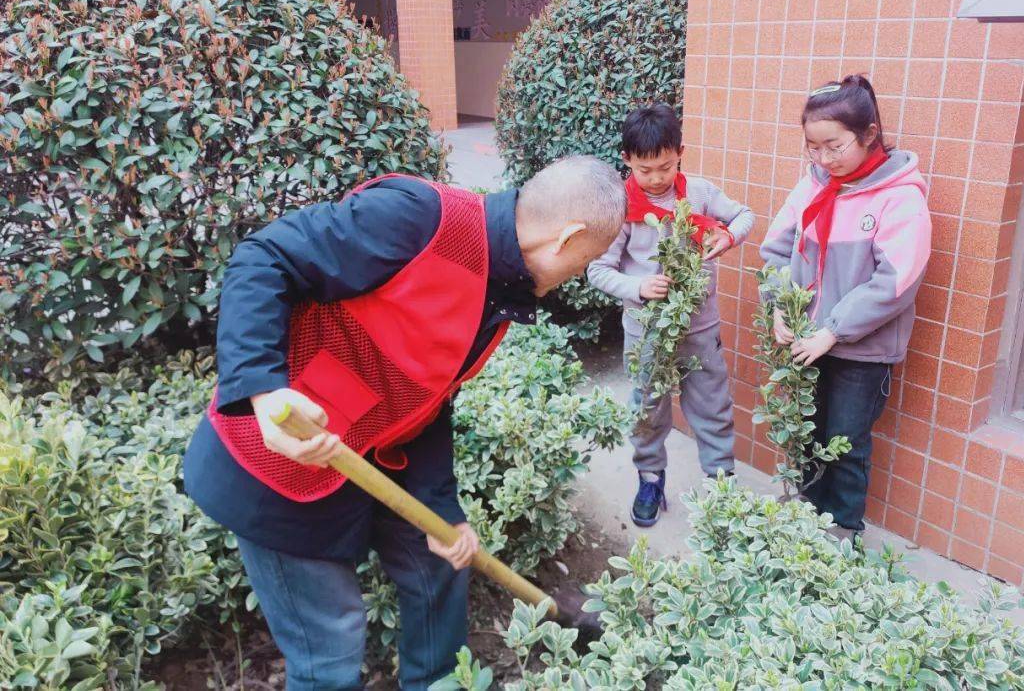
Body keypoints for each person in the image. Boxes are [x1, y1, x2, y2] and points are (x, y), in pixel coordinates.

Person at [183, 157, 626, 690]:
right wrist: (261, 388)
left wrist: (443, 511)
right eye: (588, 261)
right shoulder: (418, 220)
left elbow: (431, 399)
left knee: (438, 560)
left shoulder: (498, 286)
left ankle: (436, 681)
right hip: (275, 463)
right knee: (330, 652)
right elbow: (265, 256)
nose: (578, 277)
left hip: (366, 452)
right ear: (567, 238)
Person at [760, 74, 932, 542]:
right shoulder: (812, 185)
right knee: (809, 436)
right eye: (813, 148)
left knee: (845, 445)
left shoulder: (901, 197)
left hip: (860, 352)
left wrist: (832, 331)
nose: (822, 159)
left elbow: (895, 284)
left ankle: (842, 540)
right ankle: (805, 534)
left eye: (833, 146)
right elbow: (777, 251)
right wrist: (779, 307)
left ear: (870, 133)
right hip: (806, 341)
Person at [587, 104, 755, 527]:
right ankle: (649, 478)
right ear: (627, 160)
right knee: (647, 408)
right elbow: (597, 270)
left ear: (681, 152)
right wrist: (638, 287)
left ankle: (721, 488)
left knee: (713, 405)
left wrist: (728, 237)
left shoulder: (699, 192)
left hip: (700, 327)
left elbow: (745, 215)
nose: (656, 178)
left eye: (665, 166)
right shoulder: (619, 207)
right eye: (645, 170)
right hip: (645, 332)